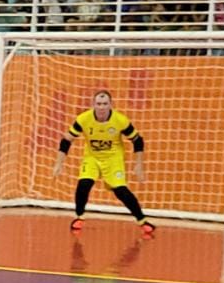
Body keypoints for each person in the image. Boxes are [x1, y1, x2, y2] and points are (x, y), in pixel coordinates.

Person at [52, 90, 155, 236]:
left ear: (111, 105)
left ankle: (142, 221)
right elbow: (66, 140)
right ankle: (79, 217)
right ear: (93, 105)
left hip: (113, 159)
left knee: (121, 191)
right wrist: (59, 163)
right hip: (92, 158)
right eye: (99, 104)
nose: (101, 107)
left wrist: (139, 165)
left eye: (105, 104)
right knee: (84, 184)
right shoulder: (83, 119)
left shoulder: (120, 120)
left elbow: (138, 140)